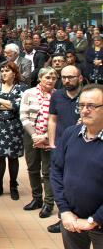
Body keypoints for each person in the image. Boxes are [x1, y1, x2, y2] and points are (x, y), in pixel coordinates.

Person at [51, 84, 103, 249]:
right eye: (81, 105)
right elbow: (57, 171)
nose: (85, 110)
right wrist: (64, 211)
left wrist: (94, 220)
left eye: (92, 106)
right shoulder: (70, 133)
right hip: (71, 220)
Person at [46, 65, 84, 234]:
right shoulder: (57, 95)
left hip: (83, 147)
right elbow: (52, 120)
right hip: (61, 147)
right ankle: (64, 218)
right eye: (64, 77)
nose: (67, 80)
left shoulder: (87, 97)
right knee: (61, 182)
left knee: (78, 183)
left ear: (80, 78)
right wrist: (53, 143)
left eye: (71, 77)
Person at [20, 66, 58, 218]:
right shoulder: (29, 93)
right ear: (40, 78)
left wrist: (46, 137)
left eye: (54, 78)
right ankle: (36, 198)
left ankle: (48, 203)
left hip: (50, 137)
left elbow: (58, 120)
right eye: (47, 77)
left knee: (48, 171)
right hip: (31, 136)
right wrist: (35, 136)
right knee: (32, 168)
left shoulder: (58, 96)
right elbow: (23, 116)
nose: (50, 80)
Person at [0, 62, 27, 200]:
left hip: (14, 127)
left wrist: (0, 100)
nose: (3, 73)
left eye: (7, 71)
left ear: (14, 73)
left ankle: (13, 186)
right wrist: (8, 104)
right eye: (2, 70)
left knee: (13, 158)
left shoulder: (22, 87)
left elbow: (19, 105)